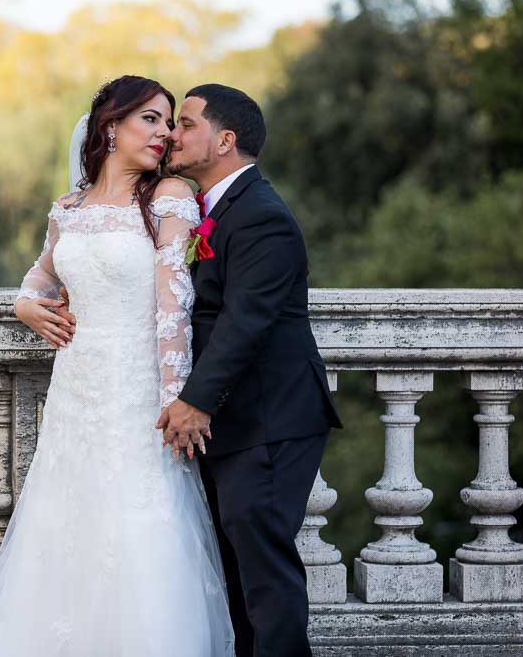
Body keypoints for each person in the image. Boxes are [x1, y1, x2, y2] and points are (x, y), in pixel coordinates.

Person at [0, 75, 235, 657]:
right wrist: (24, 306)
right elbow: (41, 275)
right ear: (111, 126)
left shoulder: (169, 199)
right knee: (67, 527)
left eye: (171, 122)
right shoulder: (68, 209)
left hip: (138, 395)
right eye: (152, 119)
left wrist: (175, 399)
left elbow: (174, 308)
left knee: (140, 529)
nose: (165, 133)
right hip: (76, 392)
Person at [157, 84, 344, 657]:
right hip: (237, 422)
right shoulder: (215, 210)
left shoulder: (262, 216)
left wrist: (194, 400)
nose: (173, 134)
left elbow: (247, 322)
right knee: (236, 575)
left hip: (269, 418)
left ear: (225, 140)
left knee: (265, 574)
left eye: (186, 124)